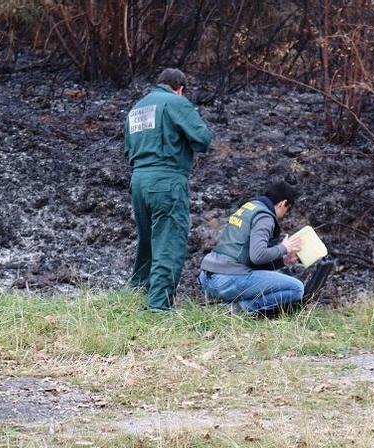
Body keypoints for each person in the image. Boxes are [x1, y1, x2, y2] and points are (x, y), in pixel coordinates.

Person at [125, 68, 213, 310]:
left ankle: (137, 294)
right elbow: (203, 139)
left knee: (147, 243)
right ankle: (159, 307)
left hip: (139, 181)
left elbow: (127, 149)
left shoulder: (137, 107)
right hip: (167, 180)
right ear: (180, 88)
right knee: (168, 243)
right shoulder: (176, 102)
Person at [198, 182, 305, 314]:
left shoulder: (249, 208)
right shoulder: (265, 217)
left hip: (206, 279)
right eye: (286, 210)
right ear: (283, 203)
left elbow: (247, 258)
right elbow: (258, 256)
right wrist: (284, 247)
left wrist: (283, 261)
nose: (283, 215)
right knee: (297, 289)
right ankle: (239, 309)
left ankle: (226, 305)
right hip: (225, 281)